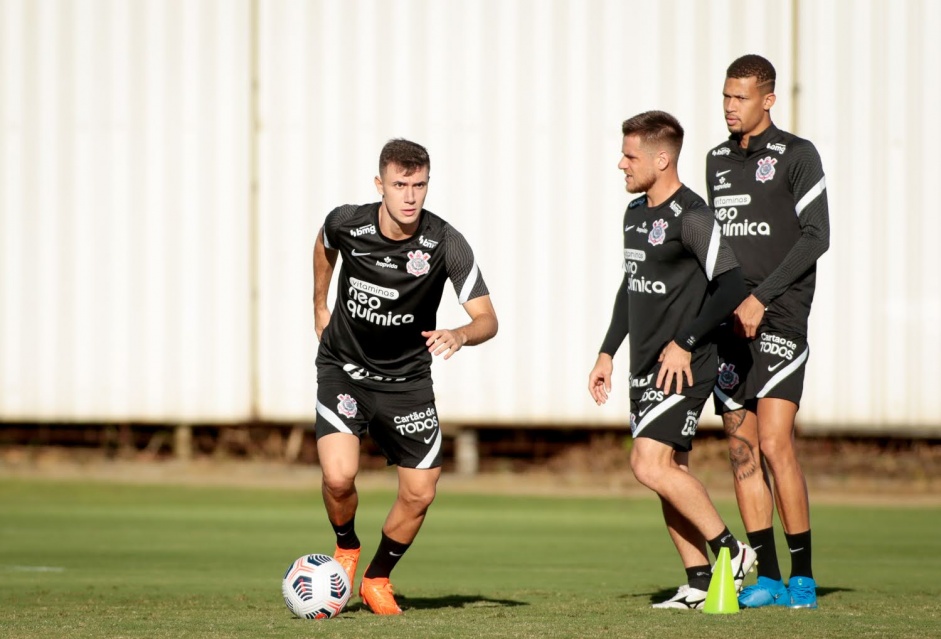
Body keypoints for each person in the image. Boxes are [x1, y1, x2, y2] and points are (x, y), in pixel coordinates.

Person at [312, 138, 498, 615]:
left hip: (407, 383)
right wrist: (320, 303)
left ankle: (376, 578)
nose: (410, 196)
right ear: (381, 185)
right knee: (338, 477)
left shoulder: (446, 243)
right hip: (345, 371)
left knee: (421, 491)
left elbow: (487, 319)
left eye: (419, 185)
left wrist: (460, 334)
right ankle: (346, 547)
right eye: (400, 185)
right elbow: (324, 242)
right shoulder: (347, 222)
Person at [588, 110, 755, 610]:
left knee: (648, 463)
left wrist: (685, 341)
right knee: (670, 473)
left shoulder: (693, 215)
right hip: (644, 363)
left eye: (630, 155)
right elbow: (631, 284)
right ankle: (699, 580)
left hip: (684, 361)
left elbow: (731, 284)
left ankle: (732, 552)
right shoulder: (635, 214)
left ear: (662, 159)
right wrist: (606, 351)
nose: (621, 163)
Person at [706, 54, 830, 609]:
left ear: (768, 100)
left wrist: (762, 296)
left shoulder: (798, 155)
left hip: (779, 315)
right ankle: (766, 576)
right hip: (728, 321)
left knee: (776, 442)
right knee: (741, 449)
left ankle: (803, 574)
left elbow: (816, 236)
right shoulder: (715, 160)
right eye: (727, 96)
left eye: (741, 97)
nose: (731, 106)